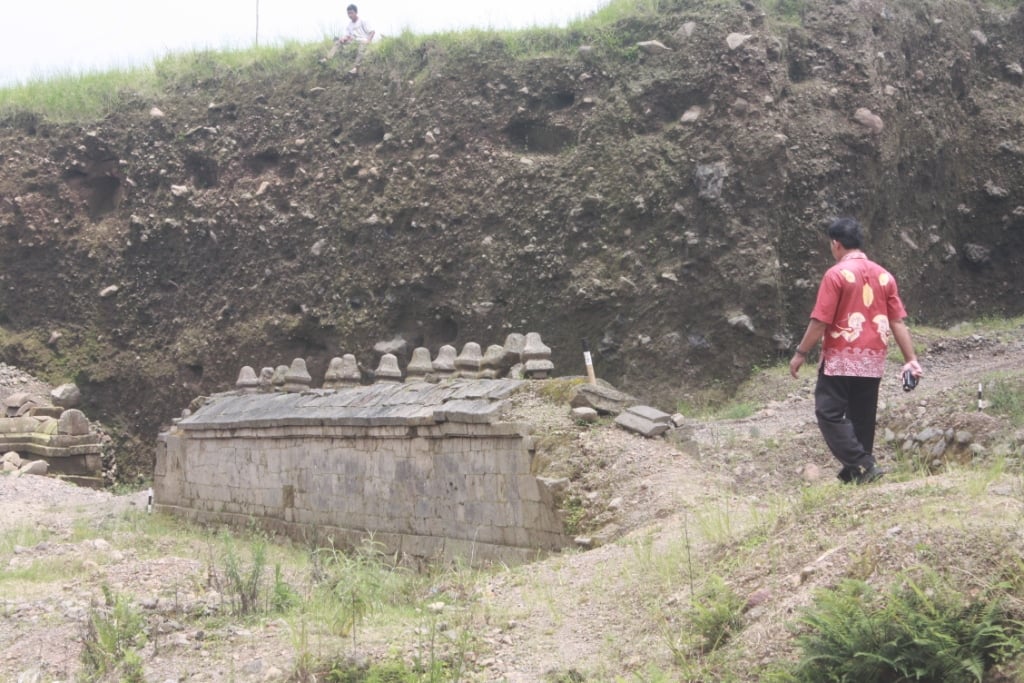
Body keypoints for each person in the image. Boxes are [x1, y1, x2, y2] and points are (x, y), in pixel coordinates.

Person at [789, 217, 923, 484]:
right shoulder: (884, 275)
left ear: (836, 244)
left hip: (841, 357)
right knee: (862, 415)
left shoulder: (836, 275)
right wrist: (911, 360)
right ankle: (856, 473)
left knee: (828, 412)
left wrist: (801, 352)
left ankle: (863, 463)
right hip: (874, 357)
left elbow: (820, 320)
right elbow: (897, 321)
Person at [324, 4, 375, 74]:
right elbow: (347, 35)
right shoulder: (349, 25)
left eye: (351, 13)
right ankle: (327, 58)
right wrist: (343, 39)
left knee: (361, 48)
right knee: (338, 41)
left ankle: (355, 68)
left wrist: (368, 41)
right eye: (348, 13)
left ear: (356, 12)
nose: (350, 15)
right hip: (353, 42)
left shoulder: (363, 21)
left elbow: (372, 32)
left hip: (363, 41)